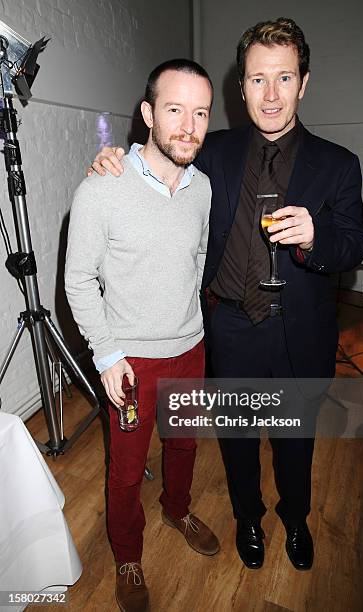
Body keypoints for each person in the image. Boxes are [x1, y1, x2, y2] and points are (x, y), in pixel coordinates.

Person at [88, 18, 363, 572]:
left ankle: (295, 517)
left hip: (301, 330)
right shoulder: (213, 152)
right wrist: (111, 160)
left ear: (303, 83)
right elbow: (161, 151)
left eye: (283, 78)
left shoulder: (339, 164)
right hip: (233, 328)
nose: (270, 94)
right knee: (238, 441)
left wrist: (318, 237)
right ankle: (248, 518)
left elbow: (353, 244)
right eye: (257, 79)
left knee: (295, 443)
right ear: (240, 87)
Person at [65, 59, 219, 612]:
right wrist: (107, 356)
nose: (188, 126)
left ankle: (177, 510)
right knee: (126, 471)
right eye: (175, 110)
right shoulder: (102, 189)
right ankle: (128, 555)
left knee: (182, 445)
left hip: (191, 348)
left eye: (200, 113)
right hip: (130, 364)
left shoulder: (202, 188)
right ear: (149, 114)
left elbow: (198, 258)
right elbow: (77, 280)